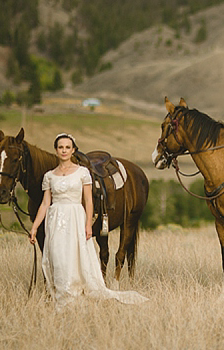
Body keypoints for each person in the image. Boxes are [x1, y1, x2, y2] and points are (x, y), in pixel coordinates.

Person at [29, 133, 148, 310]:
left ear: (73, 150)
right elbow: (45, 203)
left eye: (67, 147)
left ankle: (76, 291)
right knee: (58, 255)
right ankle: (61, 291)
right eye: (61, 147)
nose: (64, 150)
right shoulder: (49, 176)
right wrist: (35, 227)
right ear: (56, 150)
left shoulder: (82, 173)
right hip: (56, 220)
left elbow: (89, 200)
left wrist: (88, 224)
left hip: (76, 216)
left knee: (75, 254)